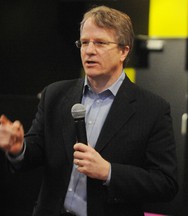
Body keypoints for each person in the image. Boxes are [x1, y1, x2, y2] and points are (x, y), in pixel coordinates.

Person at [0, 5, 178, 216]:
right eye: (84, 43)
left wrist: (109, 172)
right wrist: (18, 148)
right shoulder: (55, 95)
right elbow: (35, 152)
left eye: (100, 43)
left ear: (123, 51)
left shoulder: (152, 108)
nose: (89, 50)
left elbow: (165, 183)